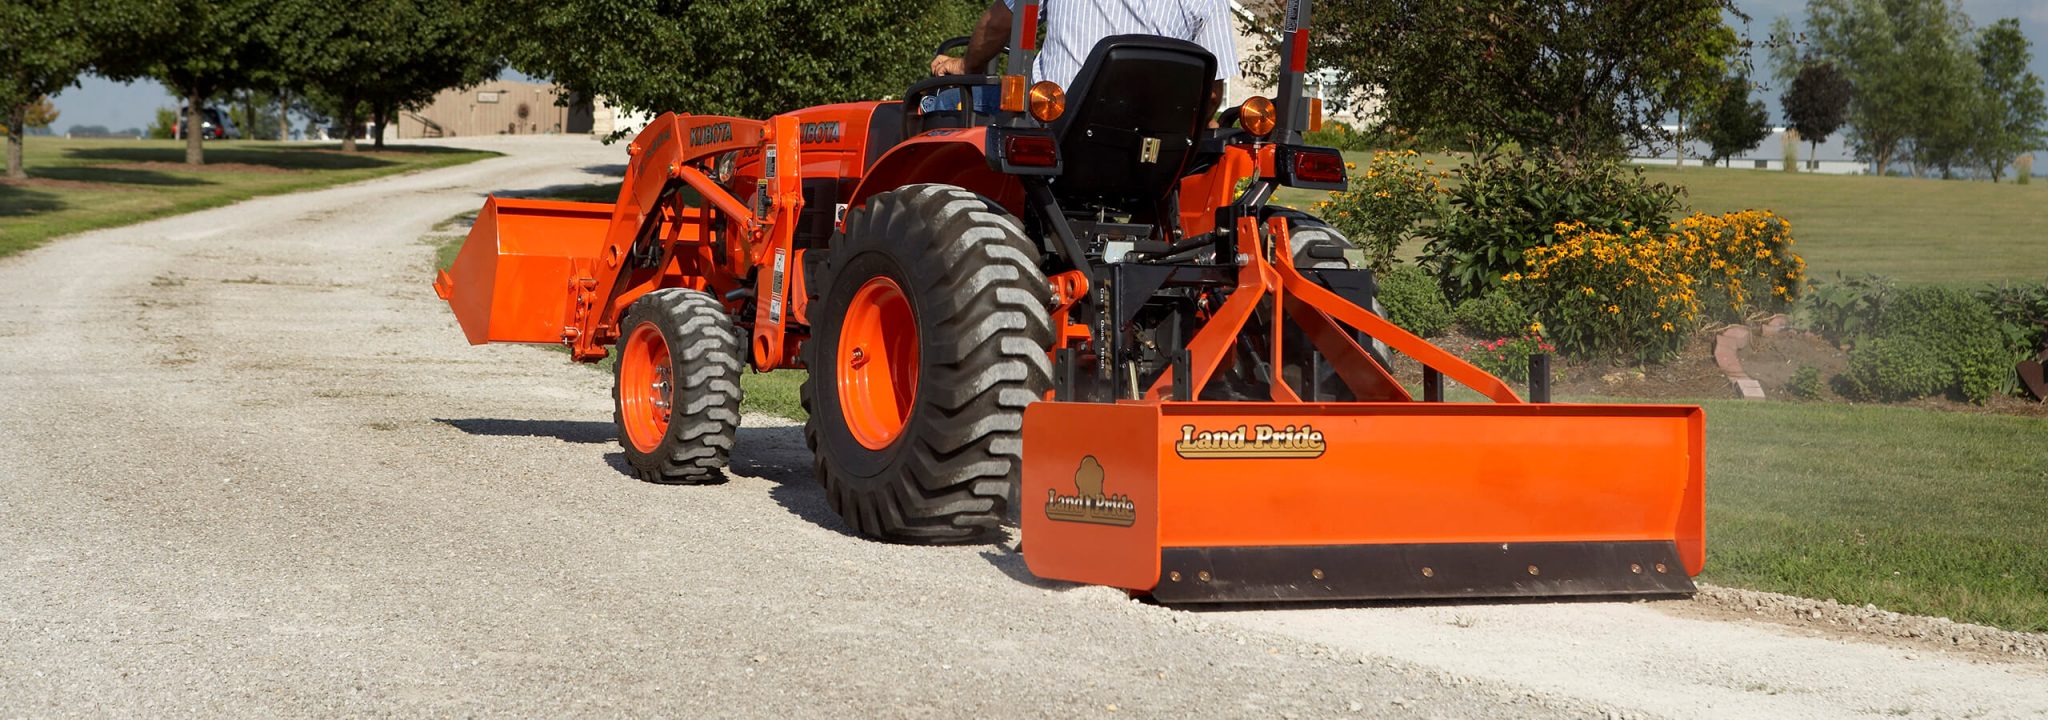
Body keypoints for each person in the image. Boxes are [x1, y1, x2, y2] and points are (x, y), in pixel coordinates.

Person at [930, 0, 1239, 120]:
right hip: (1148, 143)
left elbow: (998, 24)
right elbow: (1211, 93)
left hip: (1054, 118)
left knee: (942, 103)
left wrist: (966, 66)